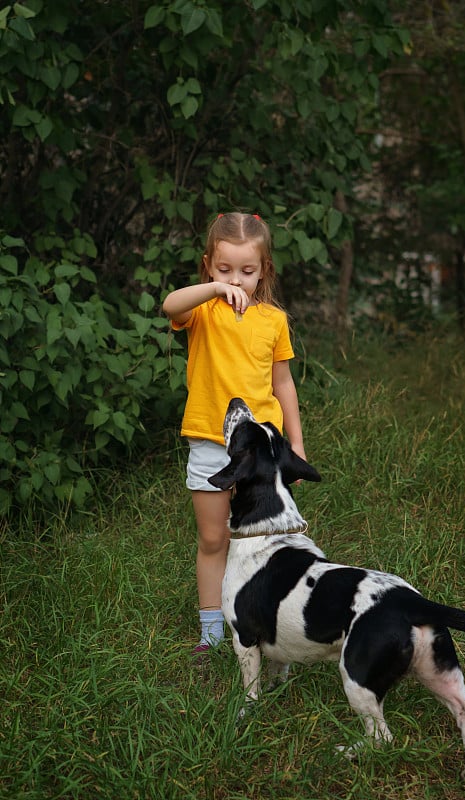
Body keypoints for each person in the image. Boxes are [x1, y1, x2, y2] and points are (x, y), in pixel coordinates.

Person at [162, 212, 307, 655]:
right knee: (213, 538)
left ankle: (268, 619)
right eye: (225, 269)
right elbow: (171, 304)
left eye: (247, 270)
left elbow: (282, 383)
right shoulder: (202, 310)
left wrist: (296, 443)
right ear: (208, 265)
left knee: (268, 538)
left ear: (264, 269)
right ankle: (211, 629)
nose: (237, 280)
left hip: (262, 449)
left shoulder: (273, 321)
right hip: (211, 441)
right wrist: (214, 289)